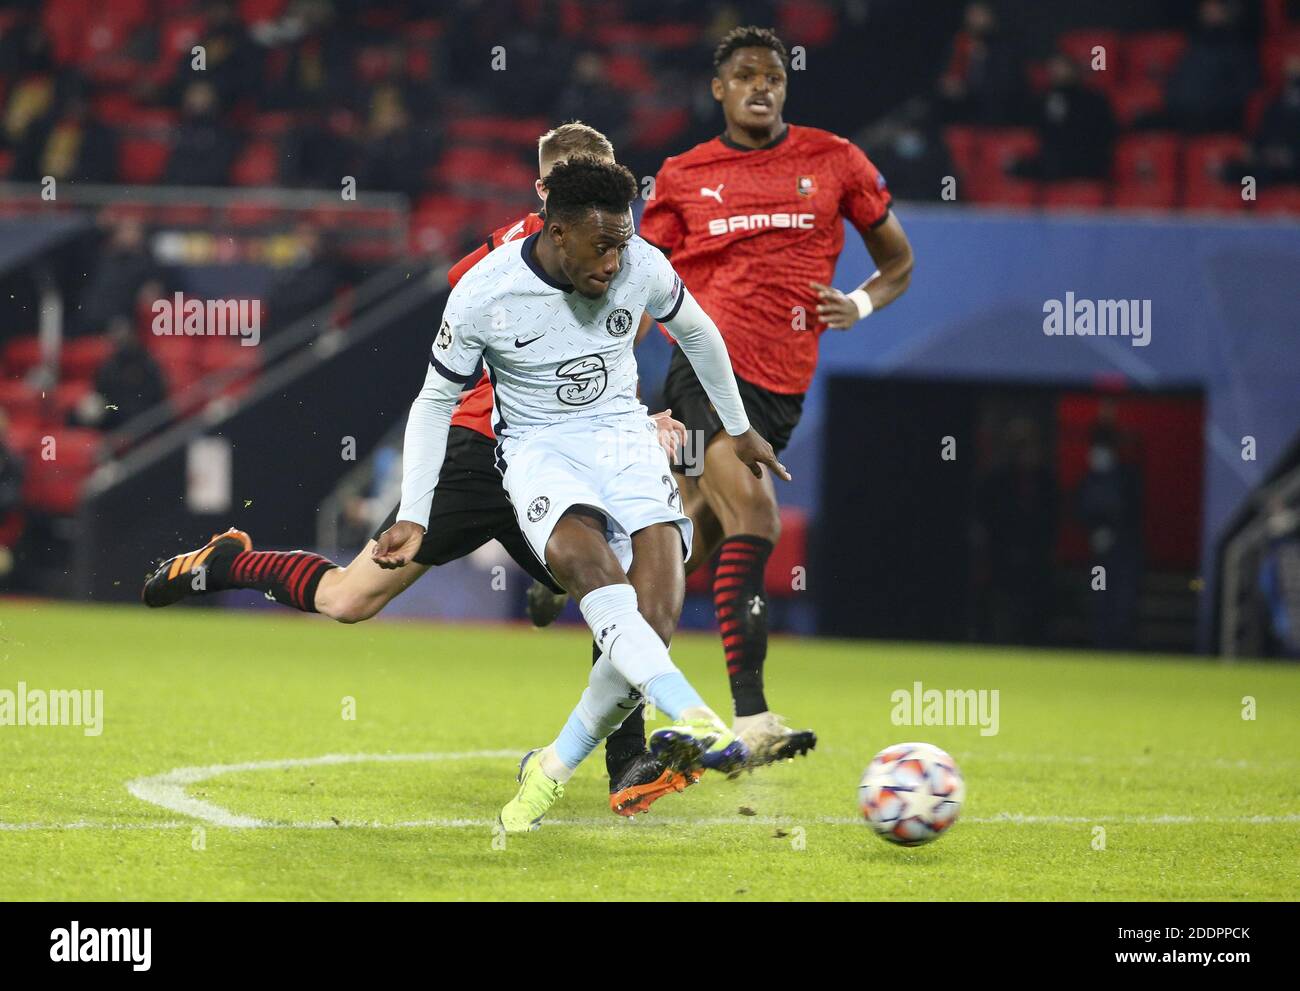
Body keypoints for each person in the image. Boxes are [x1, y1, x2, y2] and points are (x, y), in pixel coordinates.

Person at [141, 124, 693, 817]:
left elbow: (601, 370)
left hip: (569, 458)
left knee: (625, 589)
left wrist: (640, 418)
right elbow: (466, 382)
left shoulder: (624, 259)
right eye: (574, 182)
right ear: (545, 193)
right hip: (480, 454)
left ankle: (628, 761)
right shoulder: (494, 266)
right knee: (349, 600)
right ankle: (227, 563)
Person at [369, 155, 786, 832]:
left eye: (622, 243)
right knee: (584, 563)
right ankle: (696, 715)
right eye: (601, 247)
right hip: (539, 449)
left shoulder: (639, 262)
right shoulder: (484, 292)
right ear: (556, 232)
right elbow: (433, 400)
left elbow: (699, 331)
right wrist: (415, 512)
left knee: (650, 624)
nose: (616, 262)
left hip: (623, 436)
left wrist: (738, 430)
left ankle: (553, 767)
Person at [639, 26, 914, 764]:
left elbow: (898, 260)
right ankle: (753, 717)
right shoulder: (682, 175)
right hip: (702, 369)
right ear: (719, 89)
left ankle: (577, 590)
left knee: (687, 540)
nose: (763, 86)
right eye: (747, 75)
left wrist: (857, 305)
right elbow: (641, 283)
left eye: (776, 76)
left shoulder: (834, 160)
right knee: (754, 511)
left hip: (782, 387)